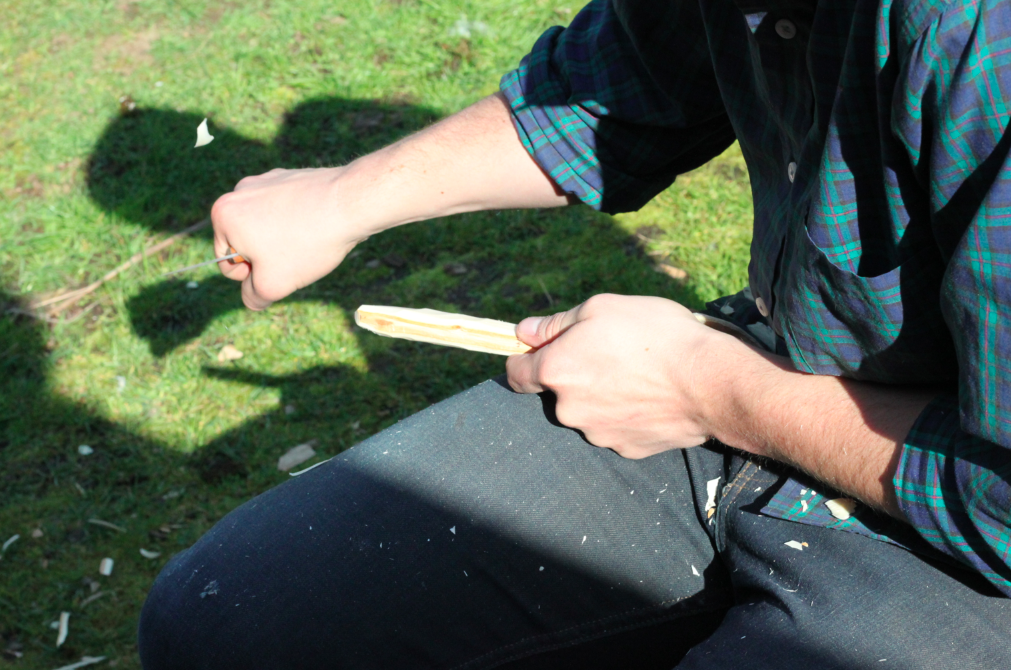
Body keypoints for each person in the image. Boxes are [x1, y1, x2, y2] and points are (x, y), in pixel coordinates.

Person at [138, 0, 1011, 667]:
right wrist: (339, 200)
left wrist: (708, 388)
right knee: (225, 622)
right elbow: (614, 88)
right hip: (767, 369)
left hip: (967, 519)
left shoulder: (987, 42)